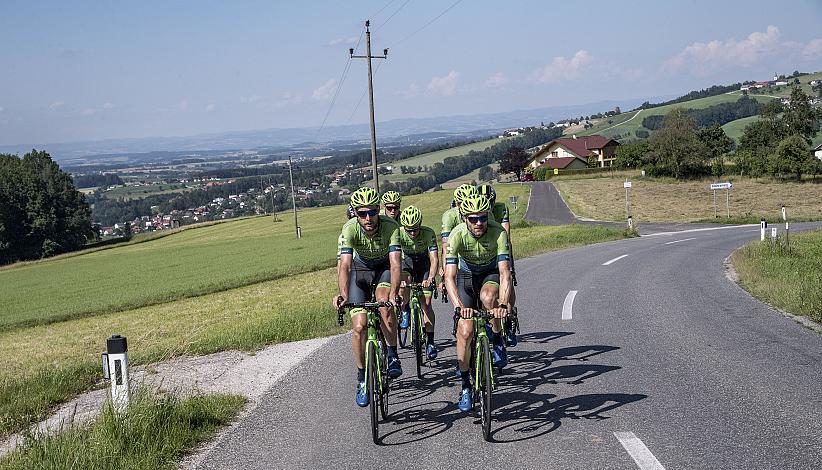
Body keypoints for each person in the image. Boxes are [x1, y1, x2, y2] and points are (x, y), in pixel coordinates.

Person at [333, 187, 403, 407]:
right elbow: (344, 265)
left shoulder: (391, 226)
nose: (368, 218)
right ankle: (362, 377)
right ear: (356, 213)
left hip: (383, 268)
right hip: (360, 271)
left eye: (372, 212)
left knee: (384, 303)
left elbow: (395, 263)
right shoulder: (350, 228)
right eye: (362, 213)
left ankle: (392, 354)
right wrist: (343, 295)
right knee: (359, 326)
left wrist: (393, 294)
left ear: (378, 210)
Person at [444, 194, 512, 412]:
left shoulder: (498, 233)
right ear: (465, 218)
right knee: (464, 332)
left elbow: (505, 273)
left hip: (490, 274)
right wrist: (458, 307)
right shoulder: (457, 235)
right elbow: (449, 277)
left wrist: (502, 307)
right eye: (473, 219)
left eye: (482, 218)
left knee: (488, 298)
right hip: (465, 278)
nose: (479, 223)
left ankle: (497, 338)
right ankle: (465, 385)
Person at [397, 205, 439, 359]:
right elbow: (393, 259)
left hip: (424, 265)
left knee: (426, 303)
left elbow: (434, 259)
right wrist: (397, 281)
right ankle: (405, 309)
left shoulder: (428, 233)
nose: (413, 233)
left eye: (415, 229)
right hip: (407, 264)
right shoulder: (399, 233)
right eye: (409, 230)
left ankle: (430, 342)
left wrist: (430, 278)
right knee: (404, 283)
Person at [477, 184, 518, 346]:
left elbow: (506, 236)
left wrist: (510, 266)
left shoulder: (501, 208)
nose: (489, 204)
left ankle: (509, 317)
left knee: (507, 278)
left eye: (490, 201)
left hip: (499, 248)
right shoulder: (477, 211)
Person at [439, 184, 478, 291]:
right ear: (456, 203)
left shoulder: (484, 215)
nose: (467, 206)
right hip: (459, 251)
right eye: (462, 203)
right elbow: (446, 246)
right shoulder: (450, 216)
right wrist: (446, 276)